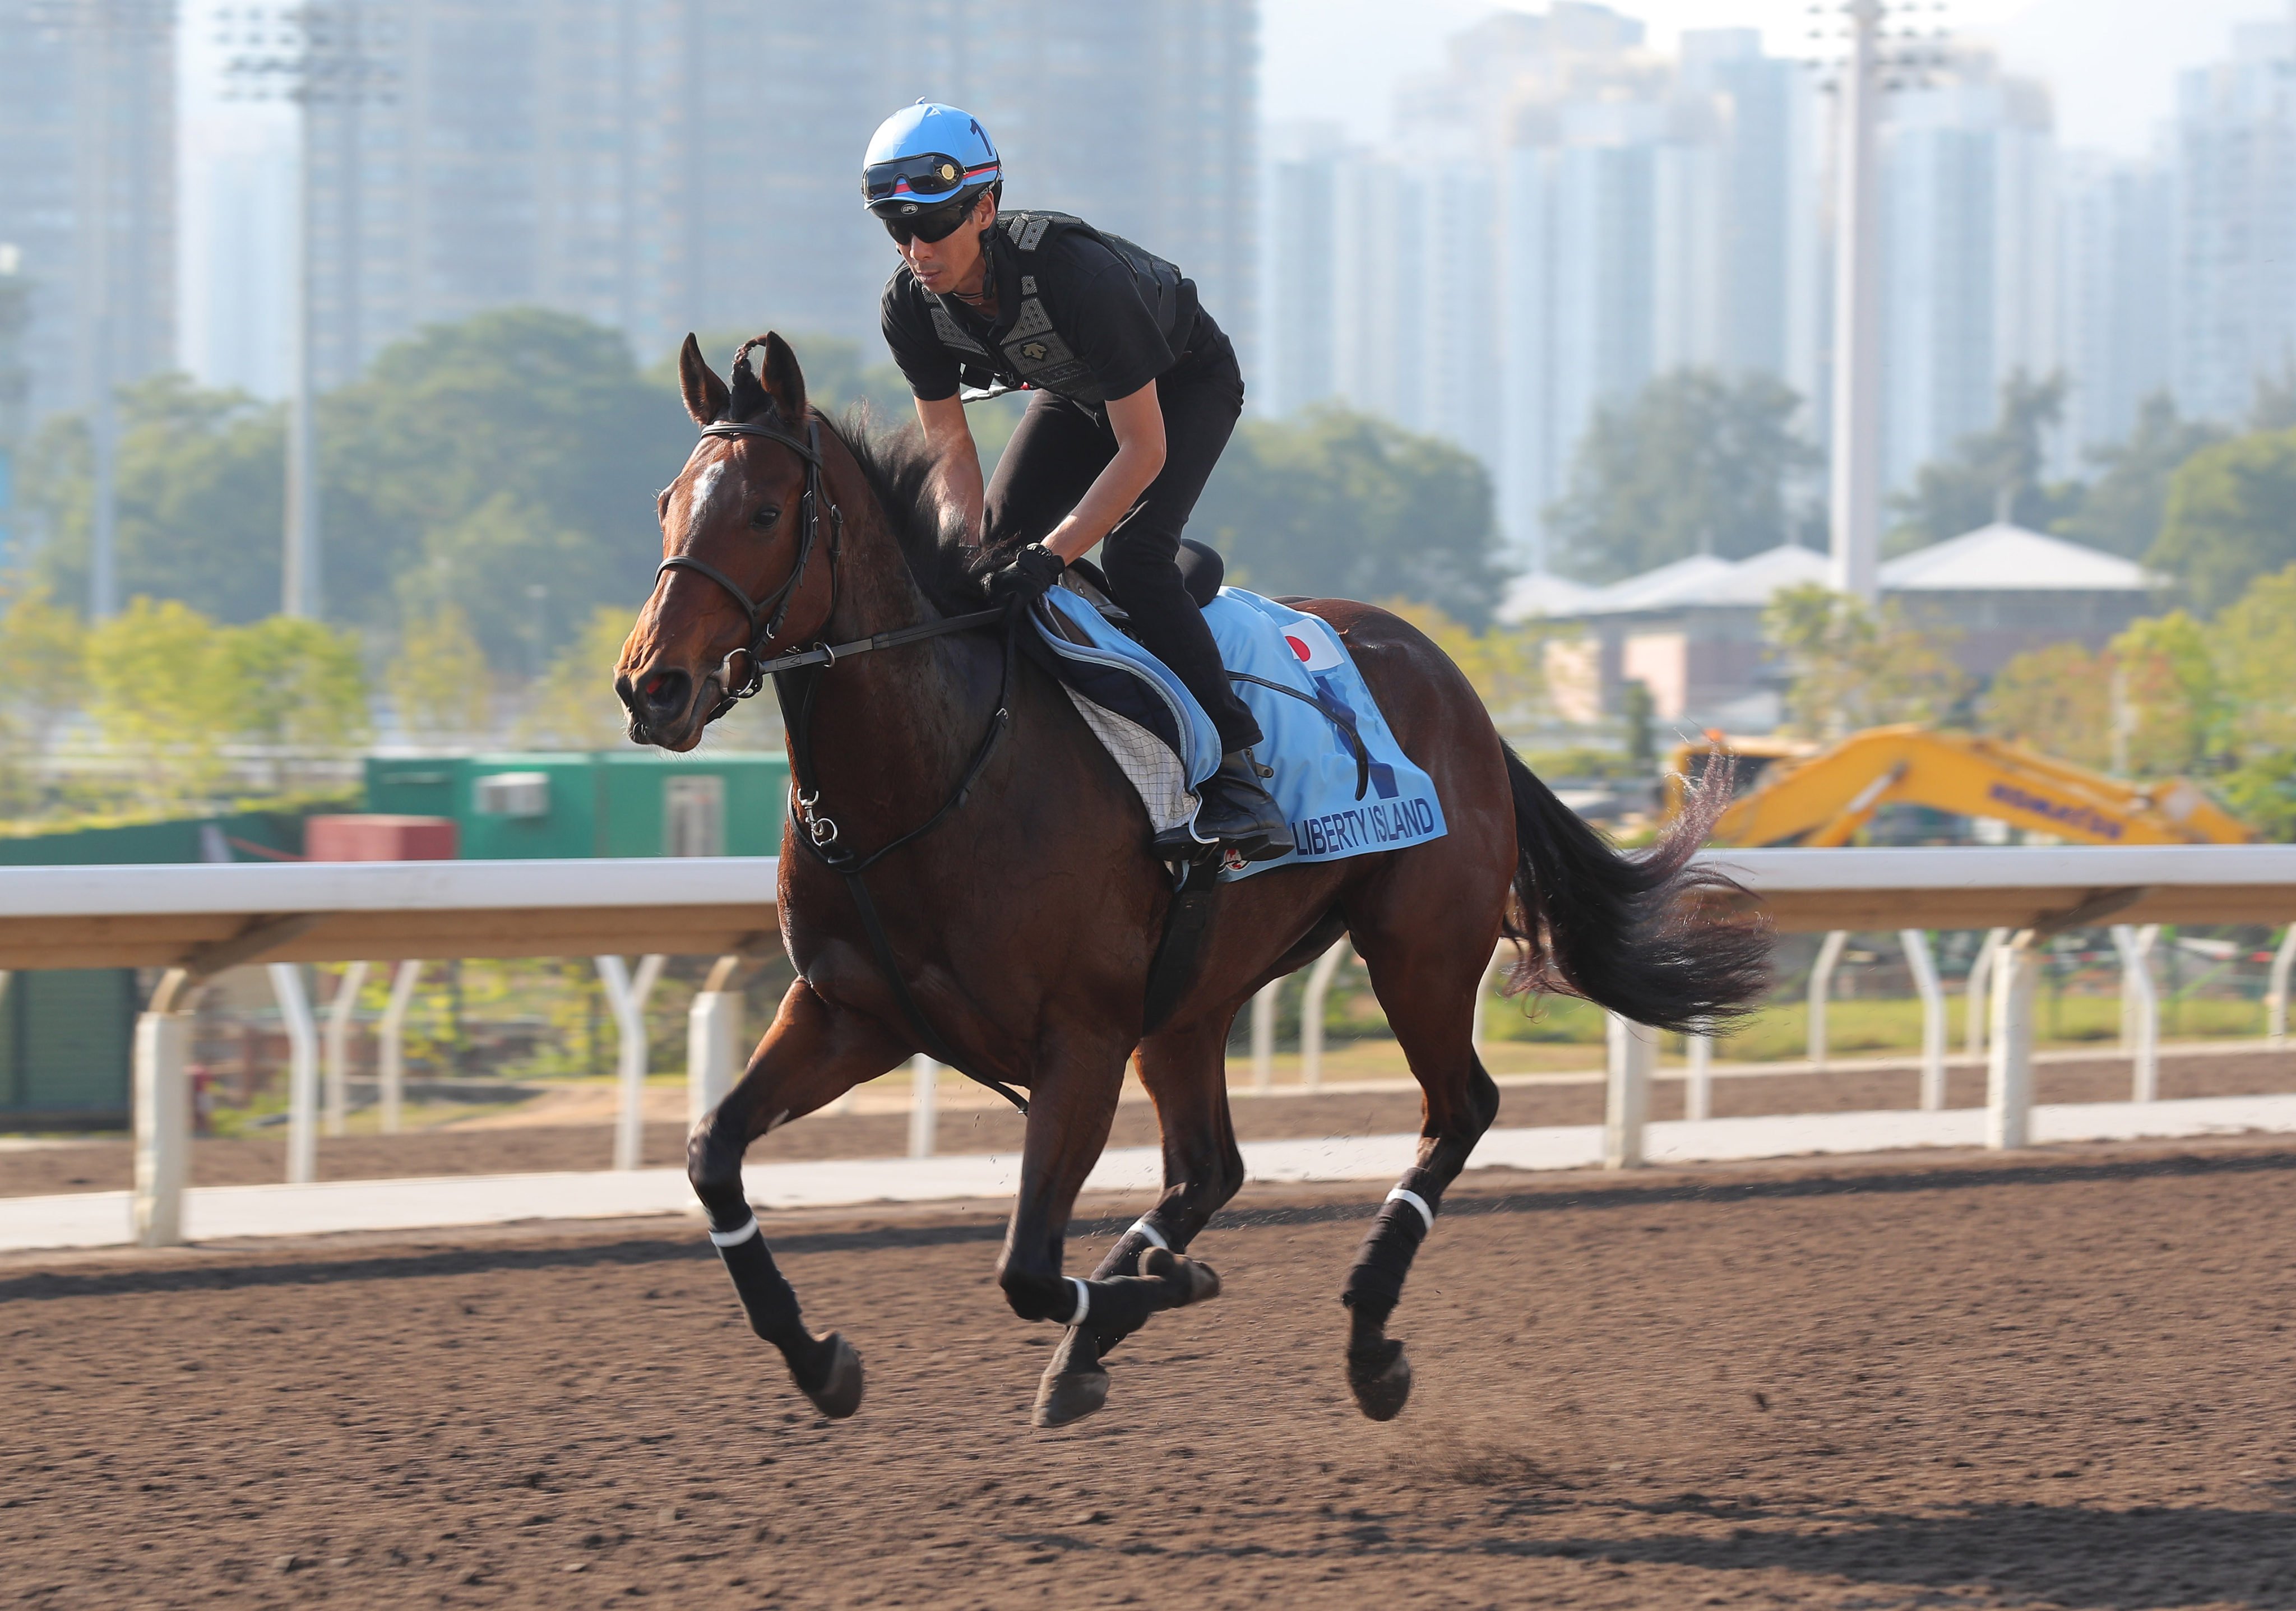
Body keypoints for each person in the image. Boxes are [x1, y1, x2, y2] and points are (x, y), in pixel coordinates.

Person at [863, 101, 1294, 863]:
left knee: (1134, 557)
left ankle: (1239, 774)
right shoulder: (909, 307)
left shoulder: (1079, 278)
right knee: (989, 555)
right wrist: (974, 559)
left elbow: (1142, 449)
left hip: (1182, 387)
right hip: (1075, 392)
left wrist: (1056, 555)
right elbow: (952, 456)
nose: (915, 249)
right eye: (898, 230)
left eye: (932, 227)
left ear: (985, 208)